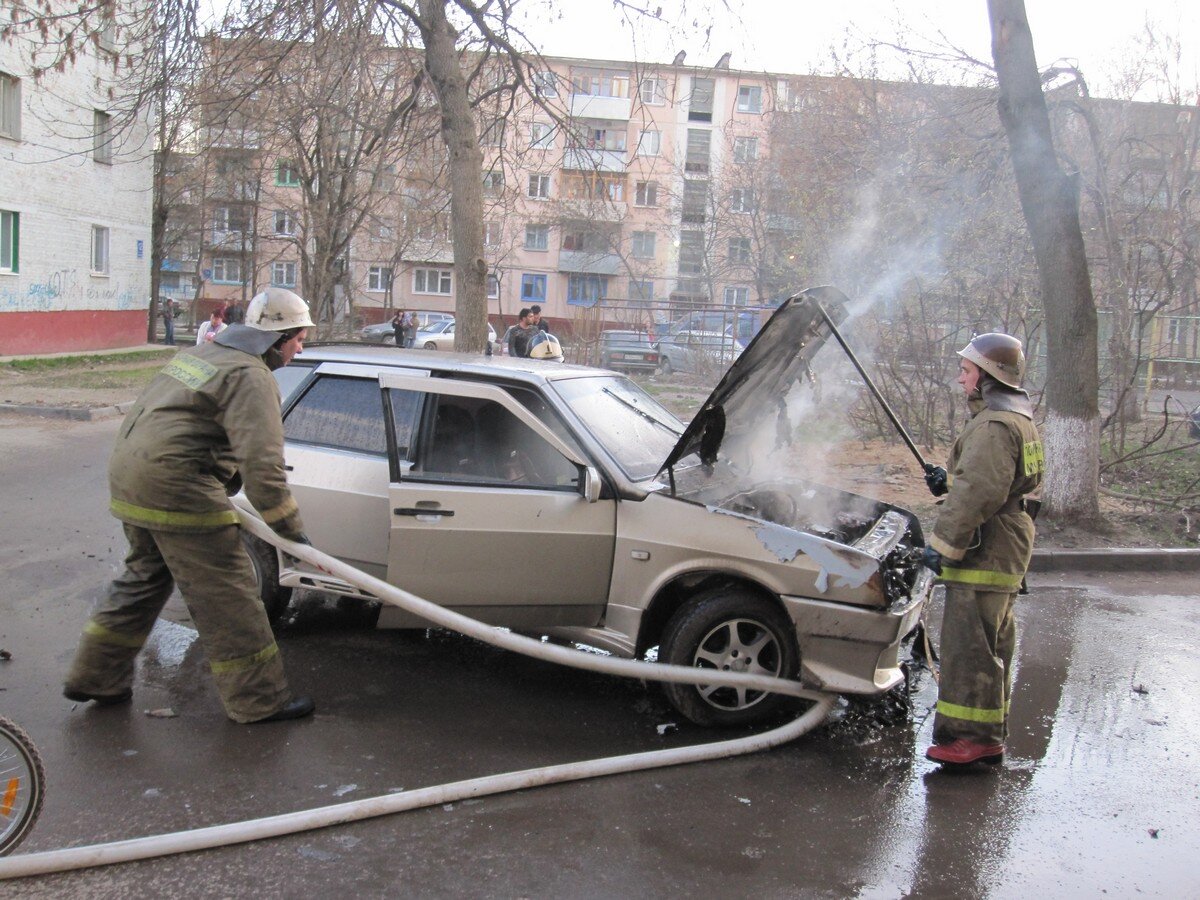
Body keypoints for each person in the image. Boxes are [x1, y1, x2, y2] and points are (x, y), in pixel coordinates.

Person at [63, 287, 318, 724]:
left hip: (132, 477)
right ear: (278, 338)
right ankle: (259, 701)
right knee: (229, 596)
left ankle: (96, 677)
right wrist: (293, 534)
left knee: (143, 578)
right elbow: (263, 468)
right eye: (298, 339)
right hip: (178, 486)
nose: (300, 348)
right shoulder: (251, 375)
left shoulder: (205, 355)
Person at [921, 333, 1044, 766]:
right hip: (1006, 540)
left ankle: (970, 739)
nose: (960, 379)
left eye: (967, 371)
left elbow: (979, 493)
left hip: (987, 548)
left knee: (969, 647)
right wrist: (947, 482)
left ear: (988, 376)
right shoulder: (1015, 419)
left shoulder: (994, 425)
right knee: (991, 644)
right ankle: (986, 734)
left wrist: (942, 547)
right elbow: (989, 484)